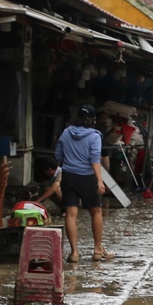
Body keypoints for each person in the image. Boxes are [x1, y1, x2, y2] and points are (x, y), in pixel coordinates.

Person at [46, 105, 108, 263]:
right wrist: (100, 181)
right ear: (93, 120)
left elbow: (58, 155)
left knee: (71, 213)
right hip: (87, 177)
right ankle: (97, 250)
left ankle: (74, 253)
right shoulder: (95, 136)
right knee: (96, 212)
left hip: (68, 176)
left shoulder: (66, 133)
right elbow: (95, 160)